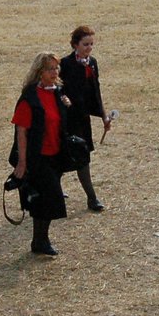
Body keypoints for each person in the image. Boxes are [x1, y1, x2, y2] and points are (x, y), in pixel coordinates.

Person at [10, 52, 72, 256]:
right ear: (39, 72)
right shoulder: (30, 97)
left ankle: (39, 241)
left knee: (44, 200)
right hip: (39, 157)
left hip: (56, 154)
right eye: (50, 69)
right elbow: (21, 130)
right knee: (50, 198)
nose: (54, 72)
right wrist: (22, 162)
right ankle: (41, 241)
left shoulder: (58, 92)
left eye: (56, 68)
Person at [59, 26, 112, 212]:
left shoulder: (92, 63)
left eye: (91, 44)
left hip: (82, 119)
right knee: (64, 155)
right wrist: (63, 101)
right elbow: (57, 87)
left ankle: (90, 198)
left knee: (82, 156)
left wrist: (103, 116)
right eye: (85, 44)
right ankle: (62, 191)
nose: (89, 48)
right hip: (66, 118)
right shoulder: (64, 64)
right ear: (75, 44)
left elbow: (95, 91)